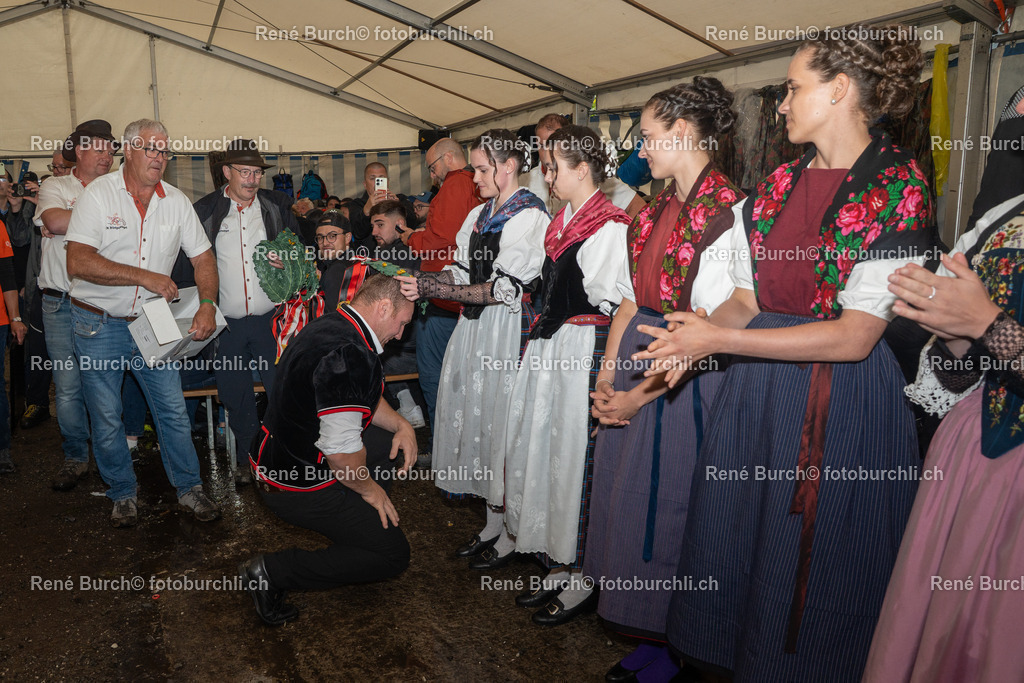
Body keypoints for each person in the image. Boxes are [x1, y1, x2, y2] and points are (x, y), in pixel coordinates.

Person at [633, 25, 936, 681]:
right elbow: (745, 297)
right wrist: (696, 333)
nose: (782, 103)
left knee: (817, 566)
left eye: (795, 88)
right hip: (761, 394)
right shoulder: (775, 184)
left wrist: (721, 339)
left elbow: (856, 335)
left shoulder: (897, 187)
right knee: (744, 544)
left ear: (840, 89)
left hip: (842, 402)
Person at [580, 78, 745, 680]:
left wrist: (637, 394)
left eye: (648, 138)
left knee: (669, 507)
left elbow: (713, 323)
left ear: (682, 133)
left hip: (684, 374)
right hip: (636, 360)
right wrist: (606, 377)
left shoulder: (727, 212)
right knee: (629, 504)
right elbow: (627, 301)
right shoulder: (650, 209)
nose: (640, 150)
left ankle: (675, 641)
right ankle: (647, 629)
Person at [861, 195, 1024, 681]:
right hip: (973, 457)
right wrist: (952, 330)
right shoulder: (1007, 218)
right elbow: (960, 376)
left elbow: (994, 330)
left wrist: (985, 325)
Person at [396, 128, 549, 566]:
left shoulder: (530, 216)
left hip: (506, 330)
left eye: (482, 169)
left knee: (501, 425)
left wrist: (431, 286)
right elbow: (460, 274)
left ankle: (511, 534)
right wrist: (424, 284)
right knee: (481, 419)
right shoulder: (480, 214)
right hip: (475, 330)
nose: (474, 177)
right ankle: (491, 524)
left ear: (508, 166)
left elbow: (503, 289)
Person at [501, 125, 632, 626]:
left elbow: (617, 303)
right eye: (546, 166)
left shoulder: (609, 226)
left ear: (583, 169)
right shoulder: (565, 221)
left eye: (554, 167)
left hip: (581, 350)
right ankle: (559, 560)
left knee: (577, 457)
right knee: (552, 451)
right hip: (554, 349)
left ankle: (583, 575)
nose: (547, 176)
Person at [65, 118, 221, 528]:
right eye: (151, 148)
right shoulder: (98, 196)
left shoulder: (177, 201)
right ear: (129, 150)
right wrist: (143, 275)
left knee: (171, 408)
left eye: (165, 150)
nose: (159, 156)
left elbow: (203, 257)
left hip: (154, 319)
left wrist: (207, 302)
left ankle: (189, 488)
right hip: (98, 322)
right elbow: (77, 261)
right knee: (107, 412)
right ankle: (122, 493)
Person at [240, 274, 417, 626]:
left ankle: (359, 533)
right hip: (292, 483)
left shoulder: (336, 322)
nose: (400, 335)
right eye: (401, 324)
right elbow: (340, 456)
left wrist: (402, 424)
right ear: (383, 307)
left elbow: (358, 395)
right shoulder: (350, 354)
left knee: (386, 446)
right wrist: (370, 490)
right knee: (393, 555)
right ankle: (271, 572)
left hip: (273, 455)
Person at [191, 138, 298, 485]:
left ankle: (281, 458)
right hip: (228, 325)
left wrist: (290, 262)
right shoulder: (205, 211)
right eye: (245, 172)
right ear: (226, 172)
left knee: (281, 390)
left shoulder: (276, 206)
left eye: (256, 173)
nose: (252, 180)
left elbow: (301, 255)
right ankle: (247, 461)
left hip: (271, 320)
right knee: (236, 397)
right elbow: (190, 265)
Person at [36, 119, 124, 491]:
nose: (108, 155)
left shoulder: (117, 188)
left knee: (103, 384)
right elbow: (53, 219)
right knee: (69, 385)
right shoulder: (55, 184)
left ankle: (113, 454)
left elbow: (61, 225)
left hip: (102, 302)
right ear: (80, 151)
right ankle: (75, 456)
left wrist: (70, 224)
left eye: (111, 149)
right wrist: (106, 224)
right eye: (100, 148)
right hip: (59, 302)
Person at [402, 137, 481, 431]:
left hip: (444, 300)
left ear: (448, 159)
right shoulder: (476, 184)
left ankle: (441, 450)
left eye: (432, 168)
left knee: (435, 377)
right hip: (465, 299)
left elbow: (439, 240)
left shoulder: (456, 184)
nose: (431, 176)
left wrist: (411, 237)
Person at [526, 113, 647, 218]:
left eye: (555, 142)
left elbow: (637, 206)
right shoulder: (526, 181)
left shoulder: (595, 179)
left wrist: (627, 238)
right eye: (541, 145)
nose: (547, 150)